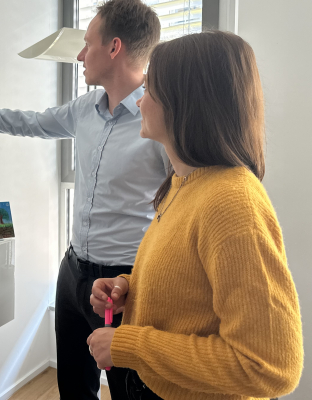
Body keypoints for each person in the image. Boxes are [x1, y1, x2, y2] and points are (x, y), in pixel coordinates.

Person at [0, 0, 167, 398]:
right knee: (74, 387)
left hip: (125, 284)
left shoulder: (159, 119)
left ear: (114, 48)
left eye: (87, 44)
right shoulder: (84, 108)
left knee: (129, 391)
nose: (80, 55)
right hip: (73, 271)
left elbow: (180, 208)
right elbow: (29, 122)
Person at [87, 30, 304, 400]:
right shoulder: (182, 184)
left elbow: (269, 366)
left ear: (185, 102)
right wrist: (129, 287)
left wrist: (129, 344)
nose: (140, 101)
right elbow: (190, 284)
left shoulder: (232, 203)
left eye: (149, 90)